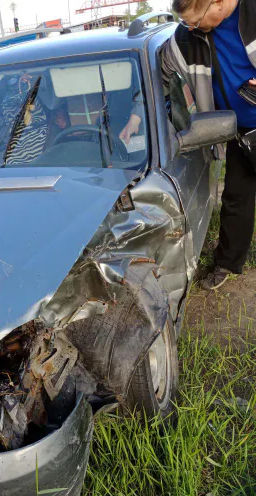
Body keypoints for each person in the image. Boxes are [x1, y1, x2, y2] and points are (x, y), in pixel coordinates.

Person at [120, 0, 256, 290]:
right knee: (236, 198)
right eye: (186, 22)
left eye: (195, 21)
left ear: (217, 2)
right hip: (236, 130)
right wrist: (135, 117)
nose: (191, 28)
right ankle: (228, 262)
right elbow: (158, 75)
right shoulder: (185, 38)